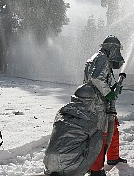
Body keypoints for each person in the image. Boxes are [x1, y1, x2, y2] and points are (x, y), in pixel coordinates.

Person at [43, 35, 125, 176]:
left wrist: (113, 88)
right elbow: (96, 78)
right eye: (116, 49)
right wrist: (108, 93)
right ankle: (96, 170)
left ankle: (112, 158)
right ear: (112, 48)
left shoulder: (95, 57)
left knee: (112, 128)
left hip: (92, 101)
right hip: (97, 104)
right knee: (99, 136)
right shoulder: (102, 58)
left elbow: (95, 79)